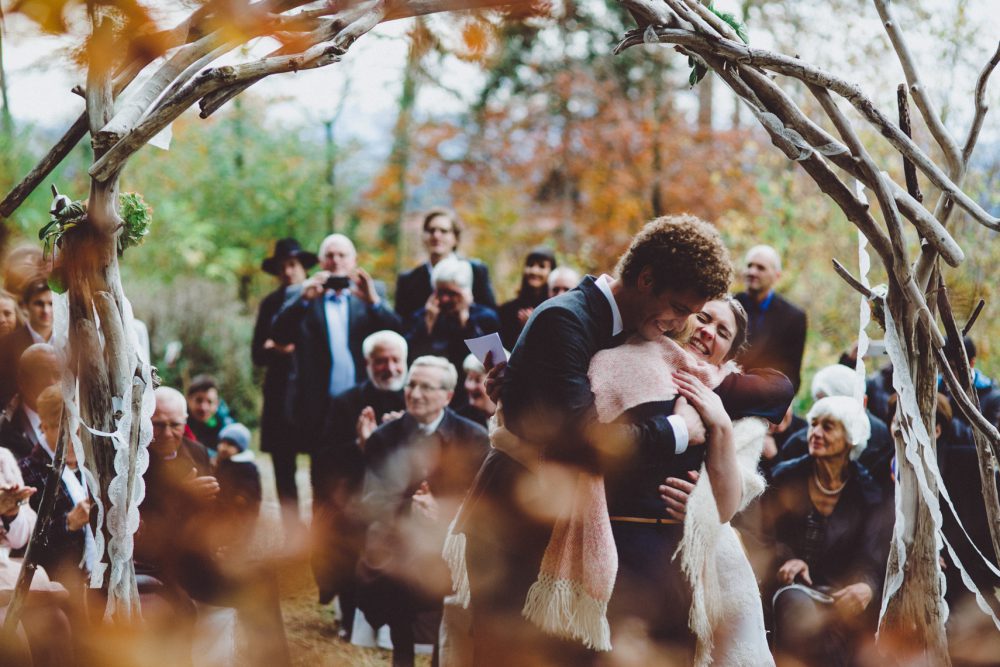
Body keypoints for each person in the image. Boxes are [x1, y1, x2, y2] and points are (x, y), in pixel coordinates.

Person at [452, 214, 734, 666]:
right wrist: (682, 431)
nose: (682, 323)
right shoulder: (566, 319)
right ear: (645, 280)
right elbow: (586, 443)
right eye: (680, 308)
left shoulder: (617, 325)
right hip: (510, 523)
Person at [596, 297, 793, 663]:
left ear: (727, 357)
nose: (707, 332)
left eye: (722, 332)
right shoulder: (628, 357)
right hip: (614, 539)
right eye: (703, 318)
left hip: (684, 552)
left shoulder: (729, 404)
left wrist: (714, 408)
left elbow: (780, 389)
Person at [358, 356, 489, 667]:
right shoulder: (384, 438)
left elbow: (482, 504)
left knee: (445, 619)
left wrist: (441, 510)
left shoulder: (472, 438)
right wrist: (410, 509)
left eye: (426, 387)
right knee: (396, 606)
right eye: (411, 385)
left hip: (450, 547)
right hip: (397, 550)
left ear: (447, 396)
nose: (414, 394)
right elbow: (370, 500)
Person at [762, 396, 890, 666]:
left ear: (851, 437)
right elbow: (761, 535)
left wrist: (866, 585)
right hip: (790, 588)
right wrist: (785, 558)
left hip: (840, 591)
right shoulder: (785, 477)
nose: (815, 433)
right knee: (800, 612)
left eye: (828, 427)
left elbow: (873, 554)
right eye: (813, 424)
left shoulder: (868, 492)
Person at [270, 234, 402, 495]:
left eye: (342, 255)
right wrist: (303, 301)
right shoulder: (301, 294)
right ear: (320, 262)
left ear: (354, 261)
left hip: (364, 401)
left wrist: (374, 303)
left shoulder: (372, 292)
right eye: (330, 255)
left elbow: (397, 335)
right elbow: (278, 335)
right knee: (324, 482)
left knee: (368, 476)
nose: (336, 261)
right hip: (321, 406)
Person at [312, 330, 408, 631]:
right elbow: (323, 459)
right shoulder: (346, 402)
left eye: (395, 360)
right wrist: (361, 446)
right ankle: (350, 614)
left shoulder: (415, 397)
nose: (390, 368)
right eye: (381, 361)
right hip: (355, 494)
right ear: (367, 363)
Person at [252, 237, 315, 526]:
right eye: (282, 267)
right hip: (280, 393)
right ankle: (292, 532)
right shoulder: (271, 304)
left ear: (303, 266)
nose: (288, 271)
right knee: (283, 465)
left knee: (320, 465)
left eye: (293, 265)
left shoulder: (318, 298)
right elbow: (257, 352)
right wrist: (276, 349)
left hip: (311, 391)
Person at [18, 384, 96, 588]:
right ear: (45, 427)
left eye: (80, 432)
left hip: (96, 578)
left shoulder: (94, 467)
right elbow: (22, 542)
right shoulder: (27, 471)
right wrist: (67, 523)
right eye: (67, 433)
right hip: (54, 582)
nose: (75, 441)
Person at [777, 364, 893, 490]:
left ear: (862, 403)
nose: (816, 432)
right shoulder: (799, 444)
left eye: (830, 406)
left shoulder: (887, 442)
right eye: (819, 403)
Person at [405, 256, 500, 407]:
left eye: (451, 294)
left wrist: (465, 322)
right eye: (440, 293)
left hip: (469, 394)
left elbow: (486, 360)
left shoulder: (484, 318)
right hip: (433, 391)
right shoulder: (423, 316)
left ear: (465, 292)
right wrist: (427, 325)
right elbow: (411, 355)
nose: (444, 300)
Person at [394, 208, 496, 323]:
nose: (436, 235)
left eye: (444, 231)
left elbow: (491, 317)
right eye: (431, 230)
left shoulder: (475, 271)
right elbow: (402, 323)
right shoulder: (407, 280)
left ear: (455, 238)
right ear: (424, 237)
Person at [735, 245, 807, 392]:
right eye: (749, 266)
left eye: (761, 268)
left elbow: (791, 372)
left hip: (765, 393)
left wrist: (785, 400)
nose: (752, 272)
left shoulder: (793, 317)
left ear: (777, 276)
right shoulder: (728, 304)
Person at [0, 344, 63, 459]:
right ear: (22, 381)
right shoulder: (5, 427)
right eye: (42, 374)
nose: (51, 382)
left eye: (57, 374)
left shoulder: (80, 420)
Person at [0, 280, 54, 407]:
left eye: (51, 304)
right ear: (26, 306)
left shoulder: (67, 339)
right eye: (39, 304)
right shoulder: (7, 345)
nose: (46, 310)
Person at [497, 246, 556, 349]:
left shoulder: (554, 309)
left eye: (541, 266)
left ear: (551, 272)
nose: (534, 271)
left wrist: (531, 326)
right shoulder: (507, 309)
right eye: (530, 265)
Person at [213, 422, 262, 537]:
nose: (224, 447)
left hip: (239, 509)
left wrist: (242, 498)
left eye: (230, 444)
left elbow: (250, 487)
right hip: (223, 506)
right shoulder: (223, 462)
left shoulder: (246, 466)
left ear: (240, 448)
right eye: (222, 442)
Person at [185, 374, 233, 454]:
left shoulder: (226, 425)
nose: (203, 407)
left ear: (217, 403)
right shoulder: (179, 420)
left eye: (210, 402)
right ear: (188, 400)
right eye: (199, 400)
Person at [456, 353, 498, 428]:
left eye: (477, 379)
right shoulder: (459, 421)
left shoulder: (517, 418)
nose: (469, 386)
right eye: (469, 378)